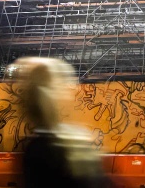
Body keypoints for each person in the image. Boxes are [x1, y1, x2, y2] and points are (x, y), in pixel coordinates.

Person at [11, 57, 108, 188]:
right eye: (63, 81)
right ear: (48, 93)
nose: (73, 87)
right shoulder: (57, 147)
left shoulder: (37, 145)